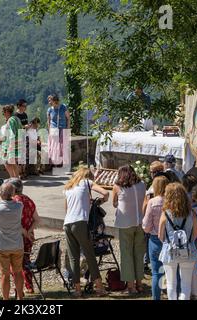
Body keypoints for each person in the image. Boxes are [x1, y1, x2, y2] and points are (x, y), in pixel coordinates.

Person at [64, 168, 108, 297]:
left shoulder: (68, 187)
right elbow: (105, 193)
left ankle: (77, 289)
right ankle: (99, 287)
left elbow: (67, 209)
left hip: (67, 223)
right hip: (80, 222)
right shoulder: (87, 182)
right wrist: (100, 201)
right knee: (89, 255)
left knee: (73, 257)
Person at [158, 183, 197, 300]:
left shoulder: (165, 214)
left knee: (170, 283)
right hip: (188, 250)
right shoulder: (192, 214)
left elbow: (160, 236)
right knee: (186, 284)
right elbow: (195, 234)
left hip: (169, 251)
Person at [112, 165, 146, 295]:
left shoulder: (118, 186)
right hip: (139, 222)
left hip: (126, 223)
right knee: (138, 253)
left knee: (127, 255)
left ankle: (130, 286)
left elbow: (114, 203)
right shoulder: (142, 184)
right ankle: (139, 284)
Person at [0, 182, 24, 300]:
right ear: (13, 193)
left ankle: (6, 299)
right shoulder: (19, 206)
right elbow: (14, 200)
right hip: (17, 244)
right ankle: (20, 297)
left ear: (1, 193)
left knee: (5, 274)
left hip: (2, 245)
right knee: (18, 272)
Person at [8, 178, 41, 294]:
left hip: (16, 236)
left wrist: (24, 232)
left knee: (14, 264)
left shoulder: (14, 201)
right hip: (28, 237)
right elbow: (37, 220)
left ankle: (20, 288)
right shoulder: (29, 200)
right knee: (25, 261)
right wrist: (29, 231)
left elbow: (14, 221)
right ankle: (29, 286)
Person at [142, 175, 169, 300]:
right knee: (172, 271)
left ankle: (156, 297)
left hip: (155, 238)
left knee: (156, 272)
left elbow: (146, 226)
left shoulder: (153, 202)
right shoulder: (173, 201)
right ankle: (170, 293)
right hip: (171, 239)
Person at [47, 94, 70, 167]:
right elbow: (48, 121)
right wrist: (49, 130)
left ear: (55, 101)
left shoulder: (63, 107)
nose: (50, 103)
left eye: (51, 101)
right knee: (54, 146)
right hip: (53, 129)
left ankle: (62, 162)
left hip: (62, 128)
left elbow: (68, 118)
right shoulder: (50, 109)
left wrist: (68, 128)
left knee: (62, 146)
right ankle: (55, 162)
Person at [0, 105, 23, 178]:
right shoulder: (17, 118)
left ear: (7, 112)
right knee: (11, 163)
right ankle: (15, 178)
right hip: (17, 144)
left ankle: (14, 178)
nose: (4, 115)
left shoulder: (11, 120)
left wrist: (8, 149)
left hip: (12, 145)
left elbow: (12, 134)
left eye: (3, 113)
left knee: (8, 163)